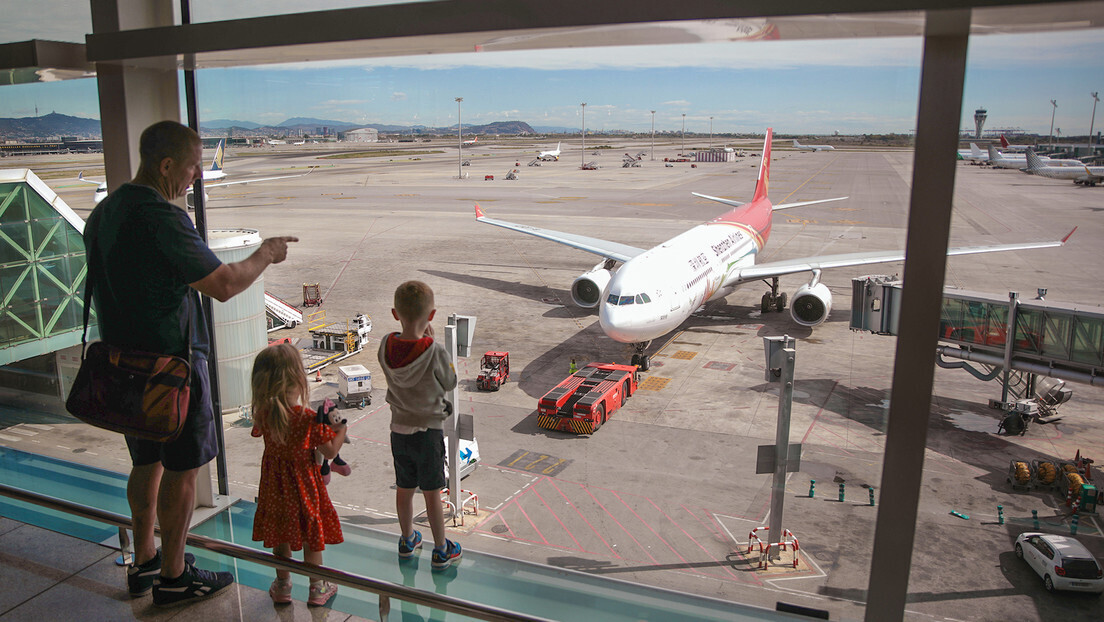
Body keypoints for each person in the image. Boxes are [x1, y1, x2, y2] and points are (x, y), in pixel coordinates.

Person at [83, 120, 297, 607]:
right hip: (171, 368)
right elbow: (223, 284)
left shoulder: (104, 213)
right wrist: (265, 253)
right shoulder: (162, 218)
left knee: (145, 462)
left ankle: (145, 561)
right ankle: (175, 577)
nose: (197, 175)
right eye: (192, 166)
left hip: (122, 364)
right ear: (165, 166)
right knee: (182, 467)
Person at [250, 344, 346, 606]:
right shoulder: (306, 418)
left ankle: (282, 585)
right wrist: (341, 430)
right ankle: (317, 587)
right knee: (310, 534)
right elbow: (328, 452)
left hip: (274, 487)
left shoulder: (264, 413)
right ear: (297, 380)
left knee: (280, 532)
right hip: (303, 485)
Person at [377, 280, 462, 571]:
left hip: (398, 431)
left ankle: (407, 539)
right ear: (432, 315)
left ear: (394, 313)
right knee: (432, 493)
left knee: (404, 489)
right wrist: (434, 343)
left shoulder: (386, 345)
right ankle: (441, 550)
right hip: (428, 433)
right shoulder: (434, 350)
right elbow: (450, 380)